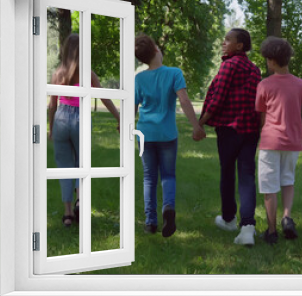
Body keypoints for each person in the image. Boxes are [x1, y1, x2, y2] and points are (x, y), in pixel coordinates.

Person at [256, 36, 302, 244]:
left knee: (269, 187)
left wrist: (263, 133)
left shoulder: (264, 85)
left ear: (271, 60)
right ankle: (287, 217)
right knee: (288, 180)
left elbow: (262, 116)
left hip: (270, 142)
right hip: (293, 143)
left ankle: (271, 230)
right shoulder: (301, 85)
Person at [135, 34, 205, 237]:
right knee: (168, 175)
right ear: (157, 50)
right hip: (167, 134)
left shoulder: (139, 78)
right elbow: (184, 100)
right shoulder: (175, 73)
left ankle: (150, 222)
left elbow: (132, 107)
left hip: (145, 134)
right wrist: (196, 126)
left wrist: (127, 128)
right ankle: (168, 208)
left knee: (149, 177)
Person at [48, 33, 120, 227]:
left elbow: (52, 105)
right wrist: (119, 117)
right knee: (82, 164)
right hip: (80, 118)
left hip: (61, 118)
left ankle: (68, 214)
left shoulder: (58, 74)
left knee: (64, 167)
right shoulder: (88, 74)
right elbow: (104, 97)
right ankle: (80, 200)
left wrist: (51, 128)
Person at [199, 28, 261, 246]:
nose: (223, 43)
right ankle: (248, 227)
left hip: (229, 129)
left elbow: (217, 98)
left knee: (227, 173)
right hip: (251, 130)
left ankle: (228, 219)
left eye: (227, 40)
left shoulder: (229, 65)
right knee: (246, 176)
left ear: (239, 46)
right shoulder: (255, 69)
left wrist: (201, 122)